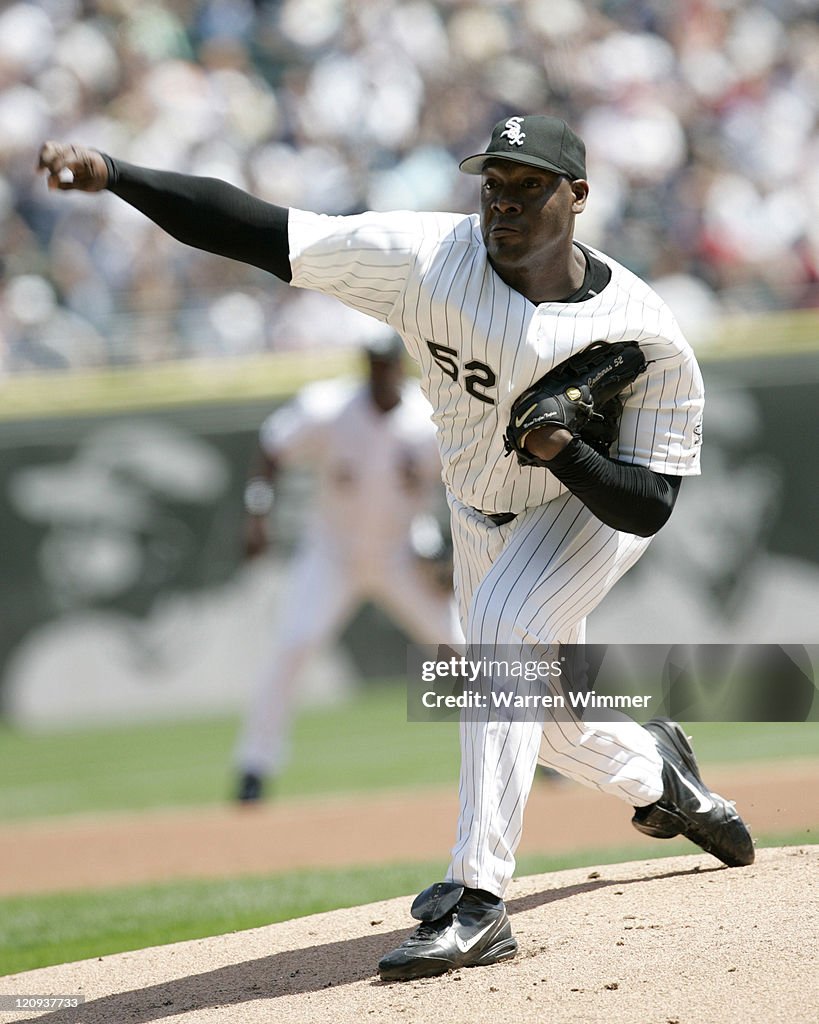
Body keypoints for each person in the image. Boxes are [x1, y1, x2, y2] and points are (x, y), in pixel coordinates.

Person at [38, 115, 754, 982]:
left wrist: (565, 449)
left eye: (529, 184)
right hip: (475, 509)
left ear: (579, 195)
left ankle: (479, 898)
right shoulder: (422, 259)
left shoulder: (648, 334)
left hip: (582, 516)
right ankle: (661, 777)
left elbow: (646, 509)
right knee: (548, 722)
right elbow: (256, 228)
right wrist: (117, 172)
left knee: (497, 633)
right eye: (493, 181)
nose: (504, 200)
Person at [234, 333, 464, 802]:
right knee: (292, 646)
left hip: (403, 553)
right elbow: (271, 448)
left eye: (389, 363)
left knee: (465, 649)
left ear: (402, 366)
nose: (382, 372)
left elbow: (465, 484)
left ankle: (541, 755)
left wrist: (451, 549)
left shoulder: (427, 419)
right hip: (331, 554)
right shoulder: (329, 408)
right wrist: (258, 513)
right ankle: (253, 768)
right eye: (375, 364)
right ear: (366, 367)